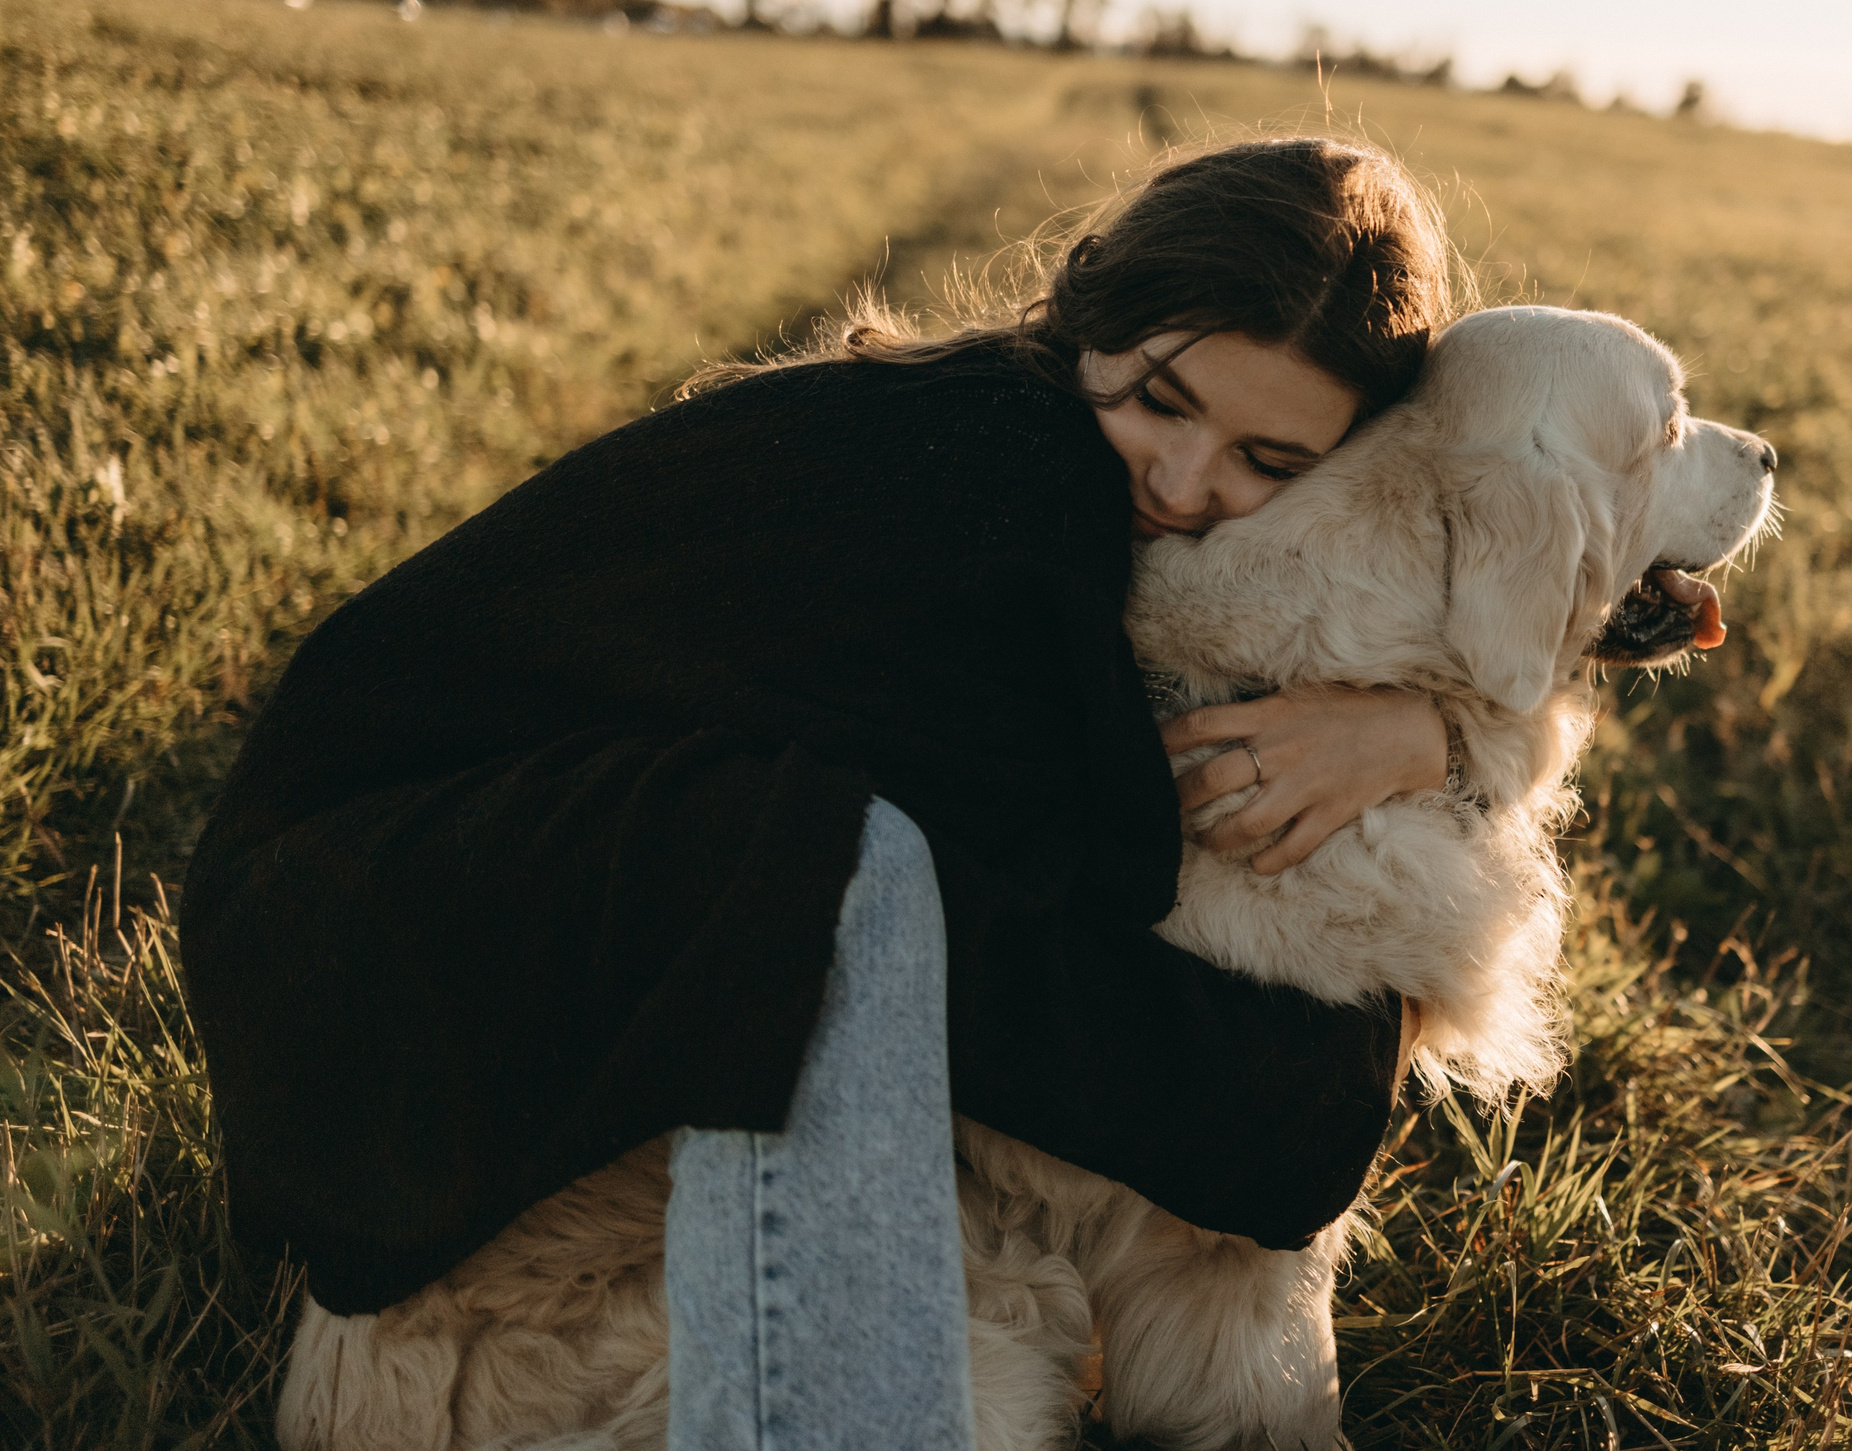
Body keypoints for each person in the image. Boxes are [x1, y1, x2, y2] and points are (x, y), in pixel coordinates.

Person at [180, 136, 1456, 1448]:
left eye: (1268, 463)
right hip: (354, 913)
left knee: (851, 880)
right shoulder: (1002, 475)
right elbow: (1090, 928)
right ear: (1092, 308)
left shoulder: (1025, 430)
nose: (1184, 485)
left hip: (455, 879)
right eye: (1161, 401)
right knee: (837, 878)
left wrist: (1424, 737)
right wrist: (1314, 1077)